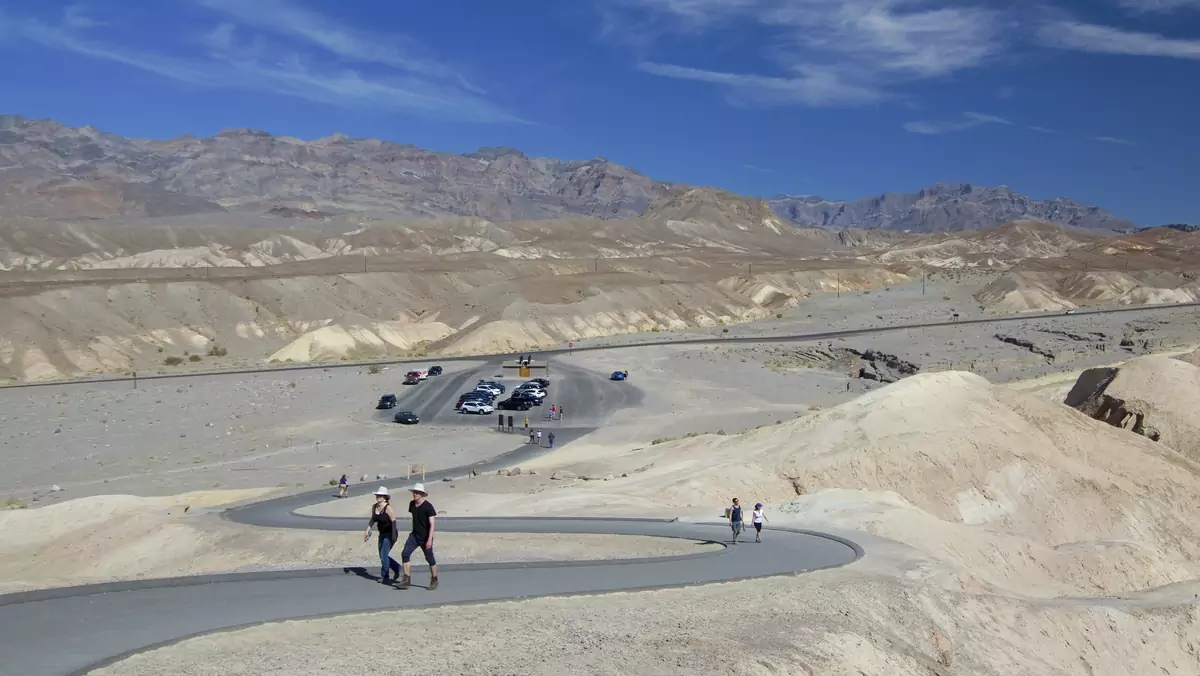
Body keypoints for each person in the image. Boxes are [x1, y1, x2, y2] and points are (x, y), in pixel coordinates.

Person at [398, 483, 439, 590]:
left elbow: (432, 524)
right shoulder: (411, 504)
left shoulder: (428, 507)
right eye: (414, 492)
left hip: (425, 537)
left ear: (422, 494)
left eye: (417, 493)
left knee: (429, 558)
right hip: (414, 536)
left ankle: (434, 579)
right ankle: (406, 578)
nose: (414, 494)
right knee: (405, 553)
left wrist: (429, 539)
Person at [363, 487, 400, 583]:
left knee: (384, 555)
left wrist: (393, 536)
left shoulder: (388, 508)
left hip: (390, 533)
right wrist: (367, 529)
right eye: (377, 495)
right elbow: (373, 519)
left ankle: (385, 576)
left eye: (380, 496)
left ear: (385, 497)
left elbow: (393, 521)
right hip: (382, 533)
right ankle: (396, 567)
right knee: (382, 555)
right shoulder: (374, 507)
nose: (378, 497)